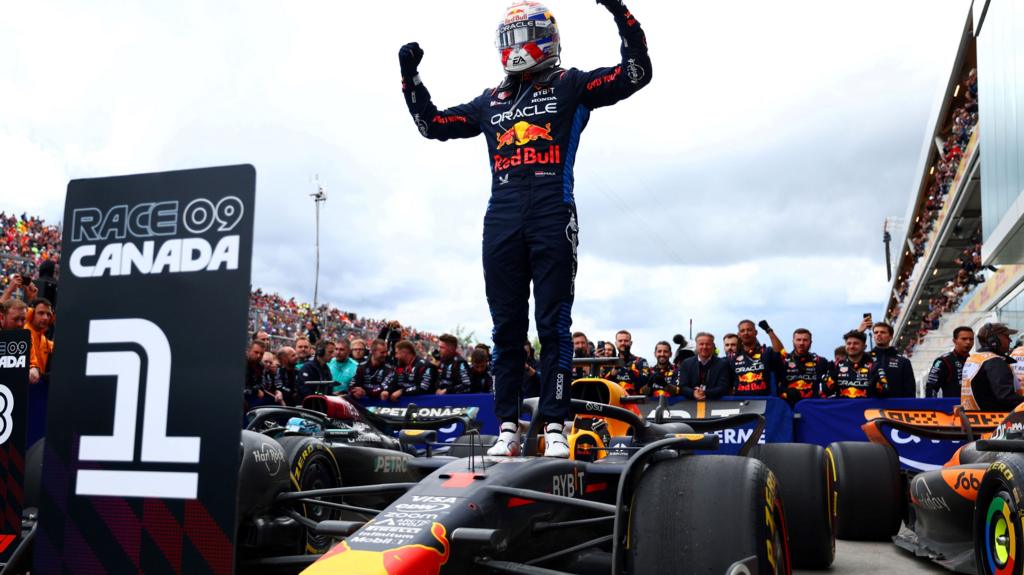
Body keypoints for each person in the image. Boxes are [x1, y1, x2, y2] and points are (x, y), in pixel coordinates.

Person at [400, 0, 651, 458]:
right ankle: (508, 428)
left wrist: (620, 13)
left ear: (547, 39)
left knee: (552, 324)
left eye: (524, 37)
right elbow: (432, 125)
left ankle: (555, 424)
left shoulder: (571, 83)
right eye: (508, 40)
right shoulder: (489, 100)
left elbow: (635, 73)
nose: (516, 48)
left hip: (553, 209)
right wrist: (410, 80)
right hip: (502, 216)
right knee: (505, 330)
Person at [961, 323, 1021, 411]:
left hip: (973, 418)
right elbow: (1006, 397)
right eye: (1007, 336)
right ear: (994, 340)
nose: (1010, 340)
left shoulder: (974, 358)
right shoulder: (994, 362)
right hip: (994, 420)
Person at [730, 320, 785, 396]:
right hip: (741, 402)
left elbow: (781, 352)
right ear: (738, 334)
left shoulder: (766, 352)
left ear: (756, 332)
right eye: (742, 331)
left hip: (764, 401)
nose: (746, 333)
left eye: (749, 330)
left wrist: (769, 330)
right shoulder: (733, 357)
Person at [826, 330, 886, 399]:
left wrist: (874, 380)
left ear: (864, 346)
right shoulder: (836, 367)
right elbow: (826, 391)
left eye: (856, 343)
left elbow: (885, 392)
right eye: (848, 343)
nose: (851, 346)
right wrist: (832, 378)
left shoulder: (874, 367)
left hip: (867, 409)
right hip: (843, 409)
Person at [777, 328, 831, 404]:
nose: (801, 343)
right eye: (798, 340)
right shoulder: (783, 361)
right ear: (793, 341)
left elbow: (828, 387)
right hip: (788, 405)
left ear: (811, 342)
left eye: (805, 340)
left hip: (813, 405)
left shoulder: (821, 361)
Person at [865, 320, 916, 397]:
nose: (879, 334)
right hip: (869, 406)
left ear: (891, 336)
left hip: (895, 406)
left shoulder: (903, 361)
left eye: (882, 332)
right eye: (876, 332)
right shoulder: (865, 358)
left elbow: (910, 391)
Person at [677, 333, 731, 401]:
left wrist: (705, 393)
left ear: (713, 346)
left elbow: (723, 387)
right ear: (696, 346)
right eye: (701, 344)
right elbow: (682, 386)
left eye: (708, 344)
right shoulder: (686, 363)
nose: (704, 347)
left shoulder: (723, 364)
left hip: (715, 404)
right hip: (690, 406)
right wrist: (693, 393)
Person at [925, 326, 974, 398]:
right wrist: (933, 407)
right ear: (954, 341)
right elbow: (931, 388)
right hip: (951, 407)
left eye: (971, 339)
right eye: (964, 339)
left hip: (974, 408)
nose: (968, 342)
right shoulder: (943, 361)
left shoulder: (975, 361)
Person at [606, 330, 650, 394]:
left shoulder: (641, 361)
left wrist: (629, 369)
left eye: (626, 341)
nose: (623, 343)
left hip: (635, 402)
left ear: (631, 343)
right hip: (613, 401)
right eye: (620, 341)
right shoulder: (609, 362)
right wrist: (614, 370)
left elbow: (644, 383)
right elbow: (602, 384)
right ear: (616, 343)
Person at [25, 298, 55, 385]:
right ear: (31, 314)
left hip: (38, 386)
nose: (45, 318)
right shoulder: (23, 330)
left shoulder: (45, 340)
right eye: (41, 313)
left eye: (48, 314)